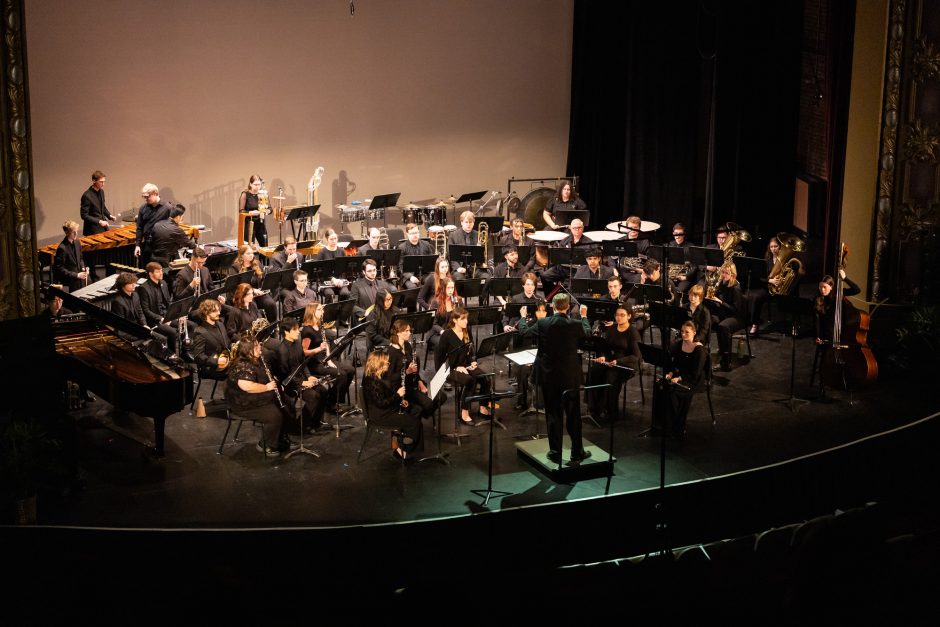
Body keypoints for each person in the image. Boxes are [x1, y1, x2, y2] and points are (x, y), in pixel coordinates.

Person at [518, 293, 591, 463]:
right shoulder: (575, 324)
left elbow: (524, 332)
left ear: (552, 306)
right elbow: (587, 333)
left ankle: (555, 452)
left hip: (549, 376)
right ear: (568, 307)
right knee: (573, 415)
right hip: (569, 376)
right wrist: (585, 316)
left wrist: (522, 318)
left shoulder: (543, 323)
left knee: (553, 414)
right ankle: (577, 451)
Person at [225, 335, 289, 456]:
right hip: (243, 402)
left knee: (284, 403)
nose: (260, 347)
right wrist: (267, 387)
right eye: (256, 346)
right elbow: (247, 387)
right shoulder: (242, 366)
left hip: (254, 397)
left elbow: (264, 376)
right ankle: (266, 444)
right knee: (274, 416)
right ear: (248, 351)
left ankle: (279, 438)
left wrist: (276, 384)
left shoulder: (257, 359)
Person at [434, 306, 493, 425]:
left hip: (465, 365)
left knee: (485, 378)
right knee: (470, 380)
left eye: (466, 319)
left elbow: (469, 352)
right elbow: (439, 358)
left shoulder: (467, 331)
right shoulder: (447, 335)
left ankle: (483, 407)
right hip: (447, 368)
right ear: (455, 320)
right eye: (463, 319)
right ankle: (464, 412)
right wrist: (455, 367)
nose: (466, 321)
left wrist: (472, 361)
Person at [362, 351, 423, 461]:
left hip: (386, 409)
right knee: (413, 422)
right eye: (386, 363)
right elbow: (382, 404)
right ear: (378, 364)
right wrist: (398, 395)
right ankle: (402, 449)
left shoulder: (380, 376)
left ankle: (401, 443)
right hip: (381, 415)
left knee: (416, 410)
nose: (388, 364)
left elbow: (386, 397)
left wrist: (400, 400)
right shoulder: (372, 381)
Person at [653, 321, 707, 439]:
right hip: (679, 375)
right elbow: (673, 363)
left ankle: (675, 426)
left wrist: (679, 378)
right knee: (659, 385)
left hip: (693, 380)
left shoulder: (699, 350)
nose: (683, 334)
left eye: (687, 332)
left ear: (694, 332)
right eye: (682, 332)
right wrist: (671, 373)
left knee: (673, 391)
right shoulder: (678, 345)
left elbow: (696, 373)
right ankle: (660, 423)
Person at [587, 304, 641, 422]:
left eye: (622, 315)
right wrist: (602, 356)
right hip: (611, 361)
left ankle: (610, 411)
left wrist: (618, 361)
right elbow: (604, 347)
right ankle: (594, 407)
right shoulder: (611, 329)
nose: (619, 318)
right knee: (595, 370)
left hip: (626, 364)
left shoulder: (633, 332)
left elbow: (636, 356)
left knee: (611, 376)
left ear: (629, 316)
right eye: (617, 315)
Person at [276, 317, 328, 433]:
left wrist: (309, 376)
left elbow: (303, 364)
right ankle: (301, 427)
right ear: (286, 332)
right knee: (313, 396)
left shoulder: (297, 344)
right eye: (295, 329)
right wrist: (302, 382)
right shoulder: (282, 350)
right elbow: (284, 376)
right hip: (290, 383)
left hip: (302, 378)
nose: (298, 331)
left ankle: (315, 422)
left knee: (323, 391)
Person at [300, 303, 355, 412]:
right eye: (320, 310)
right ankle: (330, 403)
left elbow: (325, 344)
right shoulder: (307, 331)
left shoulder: (319, 325)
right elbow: (303, 352)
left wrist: (329, 359)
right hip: (314, 364)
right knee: (341, 374)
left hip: (324, 360)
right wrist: (318, 349)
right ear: (312, 312)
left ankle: (333, 399)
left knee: (351, 370)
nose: (323, 312)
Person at [387, 320, 439, 420]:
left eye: (409, 330)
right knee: (429, 404)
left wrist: (420, 382)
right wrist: (407, 372)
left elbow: (414, 369)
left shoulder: (406, 345)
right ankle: (416, 414)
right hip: (402, 389)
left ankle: (418, 413)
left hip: (413, 382)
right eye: (406, 331)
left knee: (441, 396)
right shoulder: (392, 352)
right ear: (398, 332)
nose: (409, 333)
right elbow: (390, 378)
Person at [707, 262, 746, 371]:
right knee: (710, 320)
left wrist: (720, 301)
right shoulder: (722, 283)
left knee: (723, 326)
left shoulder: (736, 288)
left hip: (737, 317)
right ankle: (708, 351)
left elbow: (736, 310)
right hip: (725, 313)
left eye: (726, 273)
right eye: (722, 272)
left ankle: (726, 361)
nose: (723, 275)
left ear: (732, 274)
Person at [138, 262, 181, 354]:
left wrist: (173, 314)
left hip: (166, 315)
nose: (161, 273)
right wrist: (161, 319)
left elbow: (168, 302)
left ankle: (184, 352)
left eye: (161, 271)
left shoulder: (163, 283)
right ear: (150, 273)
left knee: (186, 324)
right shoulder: (144, 288)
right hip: (155, 320)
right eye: (158, 272)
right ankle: (172, 355)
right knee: (173, 332)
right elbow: (146, 310)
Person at [540, 218, 592, 296]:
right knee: (545, 276)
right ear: (571, 228)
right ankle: (551, 296)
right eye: (574, 228)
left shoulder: (589, 242)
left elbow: (592, 259)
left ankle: (573, 302)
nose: (577, 230)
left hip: (579, 270)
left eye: (579, 227)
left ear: (583, 228)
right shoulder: (565, 241)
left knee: (573, 285)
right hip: (563, 268)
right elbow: (558, 257)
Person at [230, 244, 278, 322]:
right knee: (253, 307)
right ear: (241, 255)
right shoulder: (235, 267)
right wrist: (252, 290)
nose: (251, 255)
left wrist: (264, 288)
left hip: (258, 293)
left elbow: (263, 278)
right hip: (245, 295)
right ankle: (257, 329)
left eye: (252, 253)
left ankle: (273, 326)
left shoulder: (257, 263)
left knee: (271, 304)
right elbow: (235, 285)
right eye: (248, 253)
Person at [815, 270, 860, 344]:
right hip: (827, 336)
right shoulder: (819, 299)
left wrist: (845, 278)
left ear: (831, 287)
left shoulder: (839, 293)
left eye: (824, 287)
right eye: (820, 287)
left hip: (841, 333)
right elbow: (819, 320)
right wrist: (818, 336)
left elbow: (857, 290)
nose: (822, 290)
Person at [191, 299, 231, 379]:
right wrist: (217, 361)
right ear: (206, 313)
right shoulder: (200, 332)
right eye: (215, 311)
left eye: (218, 310)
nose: (219, 313)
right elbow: (198, 356)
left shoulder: (220, 324)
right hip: (211, 368)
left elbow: (227, 344)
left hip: (225, 361)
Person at [134, 183, 173, 265]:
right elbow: (139, 227)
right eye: (144, 197)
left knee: (161, 273)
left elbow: (172, 228)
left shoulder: (167, 208)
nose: (145, 199)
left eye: (147, 196)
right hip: (147, 246)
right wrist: (138, 245)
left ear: (155, 193)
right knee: (147, 271)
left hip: (161, 247)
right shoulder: (143, 208)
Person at [150, 204, 196, 268]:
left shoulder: (157, 224)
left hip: (154, 257)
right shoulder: (176, 230)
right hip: (167, 261)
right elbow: (188, 243)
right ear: (178, 217)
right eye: (182, 217)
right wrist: (198, 246)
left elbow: (151, 240)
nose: (181, 220)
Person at [315, 228, 351, 302]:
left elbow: (345, 269)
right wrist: (332, 279)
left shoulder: (341, 251)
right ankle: (329, 312)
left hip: (340, 280)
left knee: (345, 293)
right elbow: (319, 271)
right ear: (327, 239)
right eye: (331, 239)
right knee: (330, 294)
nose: (334, 241)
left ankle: (341, 311)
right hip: (326, 281)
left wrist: (341, 280)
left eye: (335, 238)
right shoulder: (322, 253)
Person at [447, 211, 487, 277]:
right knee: (459, 278)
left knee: (486, 277)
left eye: (471, 222)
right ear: (461, 222)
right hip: (460, 267)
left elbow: (483, 256)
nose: (468, 225)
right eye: (466, 222)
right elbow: (450, 255)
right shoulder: (453, 235)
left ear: (474, 223)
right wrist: (457, 268)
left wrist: (479, 251)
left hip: (475, 267)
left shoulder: (478, 235)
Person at [53, 220, 88, 293]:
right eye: (73, 232)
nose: (76, 234)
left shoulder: (77, 242)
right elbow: (59, 269)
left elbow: (81, 258)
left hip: (79, 279)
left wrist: (84, 268)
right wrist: (76, 275)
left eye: (76, 231)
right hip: (70, 282)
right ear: (67, 232)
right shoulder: (62, 248)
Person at [398, 223, 435, 289]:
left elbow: (431, 262)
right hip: (408, 276)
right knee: (413, 287)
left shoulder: (426, 245)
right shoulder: (402, 248)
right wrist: (410, 277)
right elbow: (400, 267)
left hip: (424, 274)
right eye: (412, 233)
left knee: (432, 282)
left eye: (417, 232)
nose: (415, 235)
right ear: (407, 234)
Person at [665, 222, 698, 296]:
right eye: (676, 233)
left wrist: (686, 277)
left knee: (679, 291)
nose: (678, 236)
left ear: (684, 234)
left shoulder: (691, 247)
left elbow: (695, 265)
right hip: (671, 276)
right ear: (673, 233)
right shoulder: (668, 245)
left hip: (684, 278)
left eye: (680, 233)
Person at [79, 170, 114, 236]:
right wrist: (99, 221)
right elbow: (84, 215)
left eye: (104, 182)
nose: (103, 184)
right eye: (101, 182)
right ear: (94, 181)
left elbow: (102, 207)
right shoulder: (87, 196)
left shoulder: (101, 192)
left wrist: (109, 216)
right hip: (92, 230)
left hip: (103, 227)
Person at [616, 215, 649, 282]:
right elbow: (612, 258)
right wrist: (613, 269)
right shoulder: (620, 241)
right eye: (630, 227)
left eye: (635, 227)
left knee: (638, 279)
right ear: (626, 228)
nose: (632, 230)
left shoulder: (645, 242)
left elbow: (648, 259)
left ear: (639, 228)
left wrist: (641, 270)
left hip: (638, 271)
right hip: (622, 270)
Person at [238, 175, 268, 247]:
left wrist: (266, 211)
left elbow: (270, 209)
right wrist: (250, 212)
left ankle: (263, 258)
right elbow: (241, 211)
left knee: (265, 246)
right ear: (250, 184)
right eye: (255, 184)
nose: (257, 187)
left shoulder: (263, 194)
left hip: (261, 224)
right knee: (249, 247)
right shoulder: (245, 194)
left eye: (259, 184)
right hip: (250, 224)